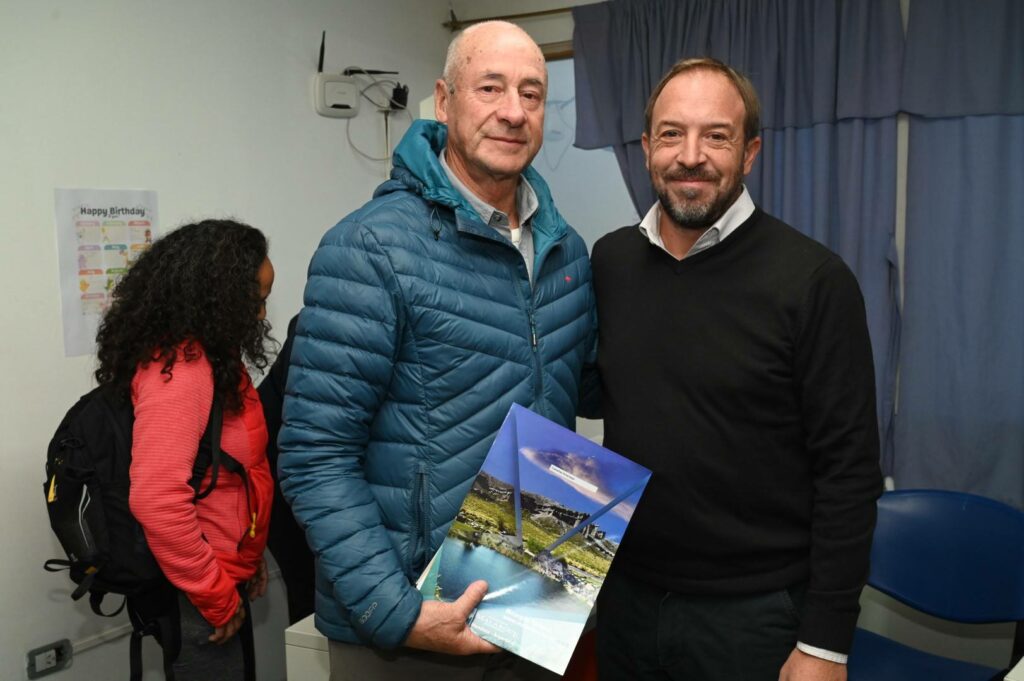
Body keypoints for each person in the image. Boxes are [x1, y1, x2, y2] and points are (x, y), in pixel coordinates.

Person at [277, 20, 596, 681]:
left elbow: (574, 397)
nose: (513, 111)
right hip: (412, 624)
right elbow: (314, 455)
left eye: (531, 93)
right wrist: (396, 613)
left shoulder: (566, 249)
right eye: (491, 87)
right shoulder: (370, 248)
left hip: (533, 598)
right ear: (445, 102)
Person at [589, 58, 883, 681]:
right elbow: (592, 394)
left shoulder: (815, 282)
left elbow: (849, 472)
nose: (690, 155)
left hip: (755, 618)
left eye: (716, 136)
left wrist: (825, 643)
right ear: (646, 148)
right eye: (671, 134)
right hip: (623, 598)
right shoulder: (610, 261)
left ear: (749, 153)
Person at [95, 219, 276, 680]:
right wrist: (214, 593)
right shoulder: (181, 372)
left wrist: (249, 552)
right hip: (195, 586)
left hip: (220, 570)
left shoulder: (212, 358)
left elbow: (230, 473)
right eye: (255, 300)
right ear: (218, 297)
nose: (261, 315)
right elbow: (157, 501)